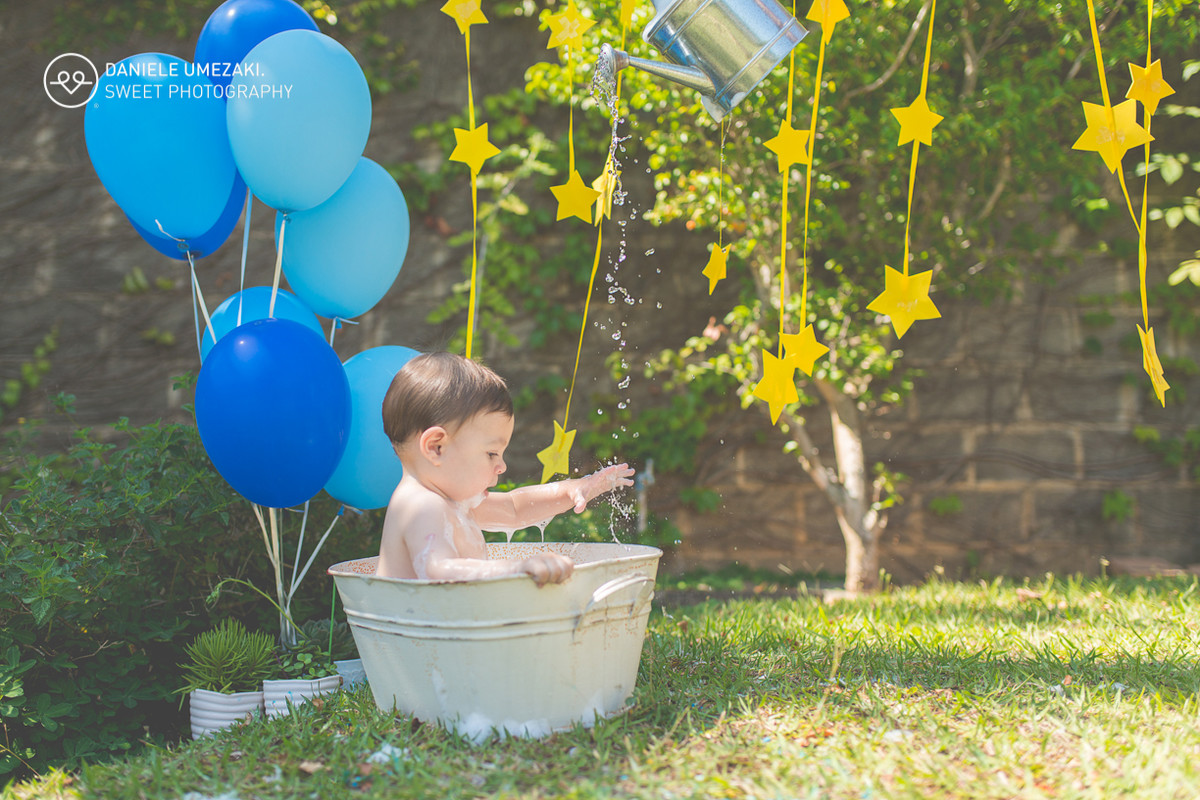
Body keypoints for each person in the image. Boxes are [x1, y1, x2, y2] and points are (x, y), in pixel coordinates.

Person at [376, 352, 635, 584]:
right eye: (491, 453)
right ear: (436, 447)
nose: (502, 466)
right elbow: (438, 570)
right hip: (415, 635)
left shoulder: (452, 502)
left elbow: (515, 508)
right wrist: (516, 570)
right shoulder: (423, 505)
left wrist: (574, 488)